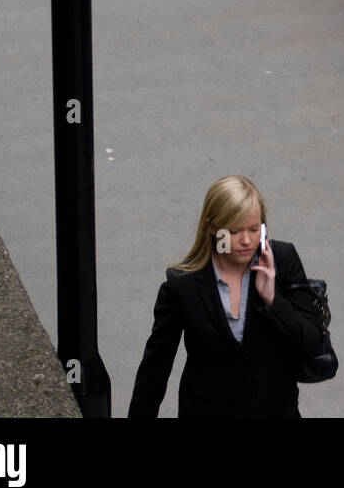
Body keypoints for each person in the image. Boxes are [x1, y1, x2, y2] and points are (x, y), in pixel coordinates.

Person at [128, 175, 324, 417]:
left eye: (254, 229)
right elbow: (155, 368)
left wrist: (274, 301)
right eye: (233, 231)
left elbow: (313, 342)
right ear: (212, 227)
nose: (246, 240)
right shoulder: (182, 287)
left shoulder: (283, 260)